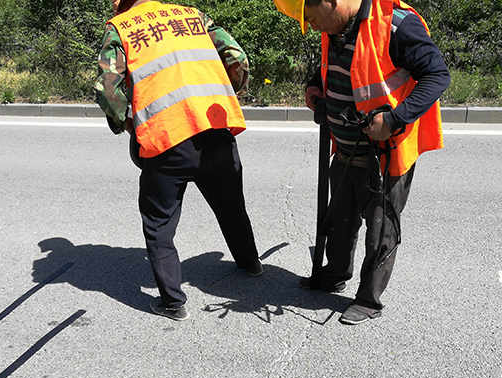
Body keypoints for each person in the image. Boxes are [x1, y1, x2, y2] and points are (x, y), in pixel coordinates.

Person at [273, 0, 450, 324]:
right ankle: (334, 274)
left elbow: (438, 75)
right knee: (339, 220)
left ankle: (369, 298)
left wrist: (396, 119)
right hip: (344, 149)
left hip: (384, 156)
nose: (313, 27)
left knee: (380, 230)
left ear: (330, 1)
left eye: (312, 18)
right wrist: (316, 86)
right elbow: (335, 65)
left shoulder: (396, 24)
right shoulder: (337, 27)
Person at [95, 0, 262, 321]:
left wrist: (125, 122)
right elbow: (237, 57)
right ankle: (250, 263)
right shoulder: (191, 15)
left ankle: (173, 302)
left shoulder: (120, 27)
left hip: (167, 136)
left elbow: (108, 86)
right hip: (215, 127)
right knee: (230, 203)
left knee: (159, 222)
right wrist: (229, 93)